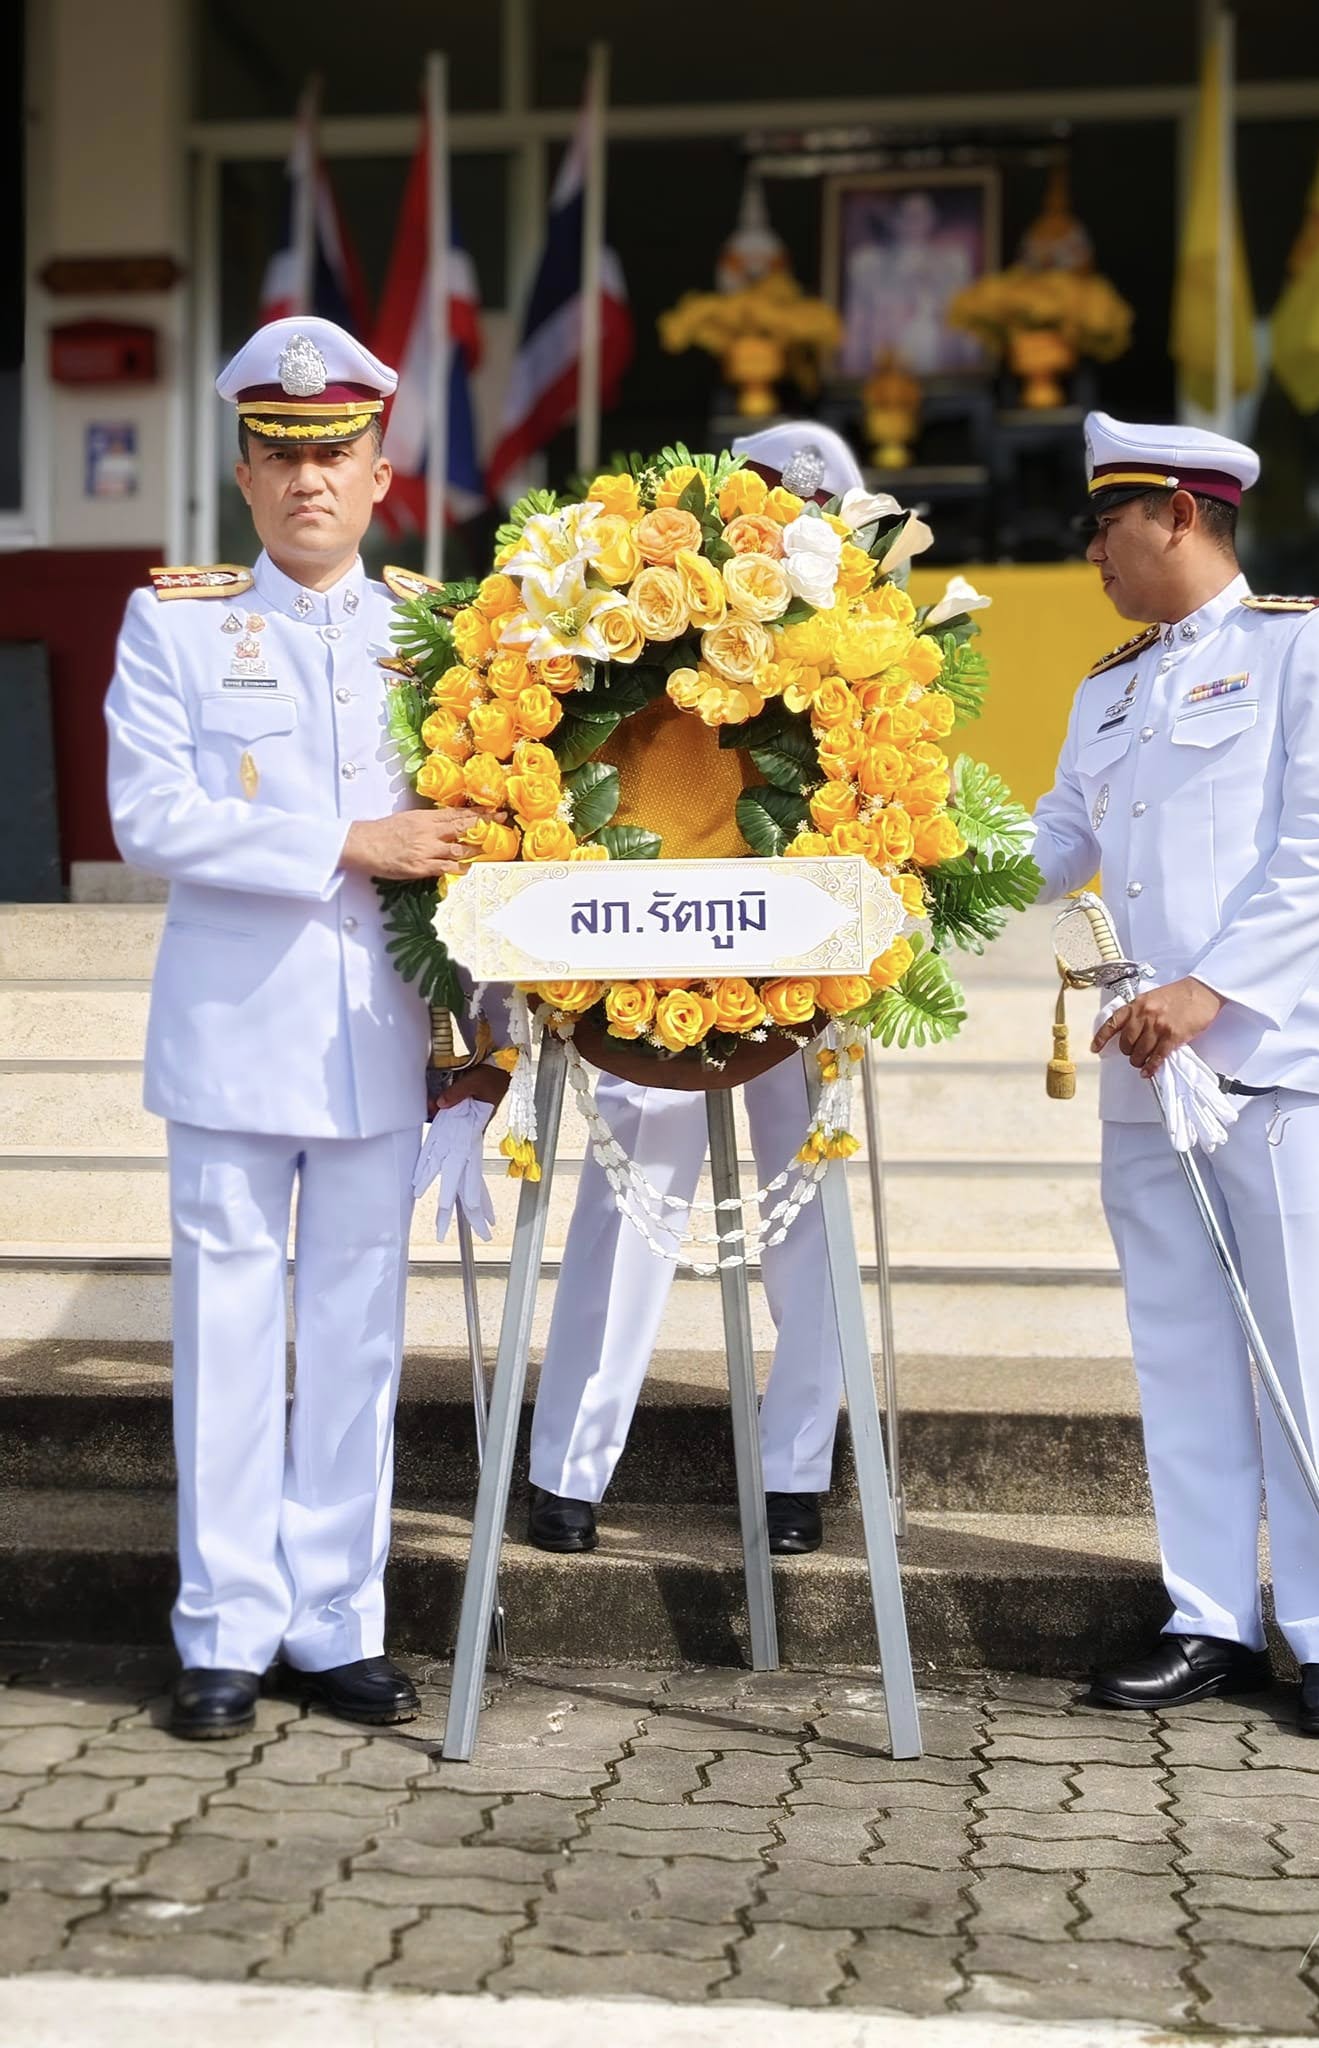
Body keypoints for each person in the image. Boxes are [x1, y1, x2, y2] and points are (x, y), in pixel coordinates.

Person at [105, 316, 476, 1740]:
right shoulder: (178, 621)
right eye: (279, 452)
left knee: (357, 1336)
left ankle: (335, 1623)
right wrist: (346, 840)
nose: (308, 478)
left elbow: (471, 834)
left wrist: (481, 1030)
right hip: (232, 1034)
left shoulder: (439, 637)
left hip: (382, 1034)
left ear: (384, 467)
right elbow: (153, 817)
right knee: (227, 1331)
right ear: (244, 474)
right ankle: (221, 1628)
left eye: (334, 453)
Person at [1029, 411, 1319, 1740]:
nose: (1093, 551)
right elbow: (1060, 836)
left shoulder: (1303, 648)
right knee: (1181, 1350)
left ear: (1179, 516)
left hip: (1266, 1065)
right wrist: (914, 856)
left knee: (1301, 1348)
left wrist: (1211, 989)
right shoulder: (1109, 686)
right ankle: (1208, 1619)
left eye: (1108, 525)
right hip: (1145, 1069)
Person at [523, 423, 865, 1561]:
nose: (775, 539)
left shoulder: (848, 652)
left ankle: (798, 1471)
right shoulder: (650, 607)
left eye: (801, 525)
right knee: (627, 1197)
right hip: (648, 939)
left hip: (793, 954)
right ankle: (569, 1467)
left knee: (806, 1196)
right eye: (761, 516)